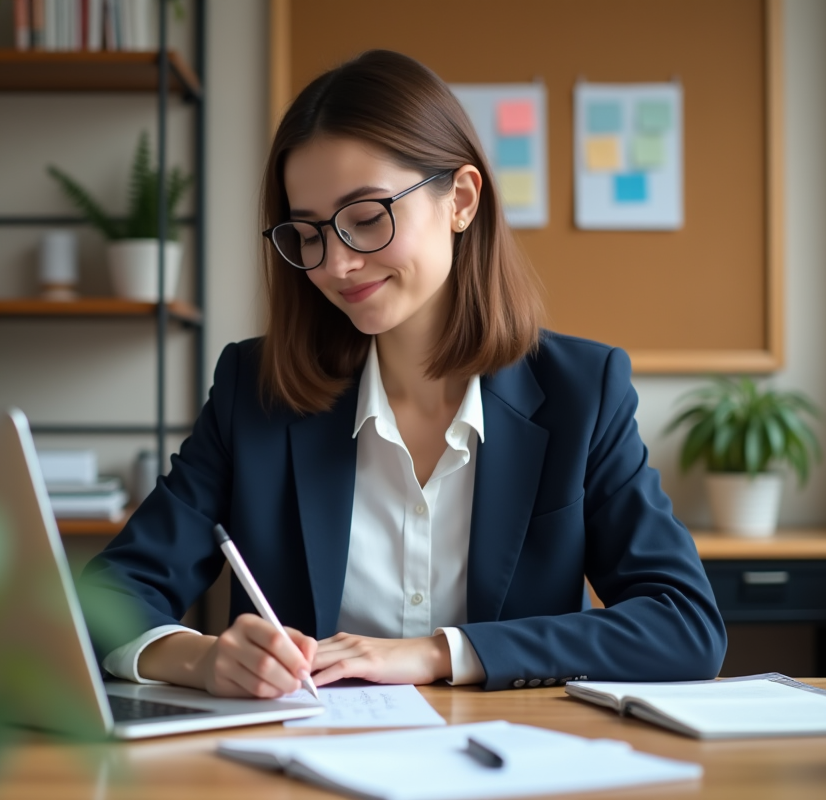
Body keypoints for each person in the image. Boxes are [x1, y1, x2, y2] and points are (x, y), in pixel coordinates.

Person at [80, 49, 726, 697]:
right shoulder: (255, 390)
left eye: (366, 219)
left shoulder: (581, 390)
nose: (333, 265)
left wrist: (440, 653)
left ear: (462, 201)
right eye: (307, 234)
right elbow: (105, 595)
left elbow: (686, 626)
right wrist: (198, 657)